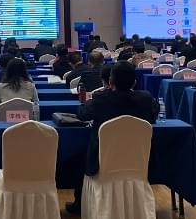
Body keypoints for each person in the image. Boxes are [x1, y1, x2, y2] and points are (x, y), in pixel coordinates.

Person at [66, 61, 158, 214]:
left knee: (77, 157)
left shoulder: (101, 99)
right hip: (138, 162)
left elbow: (82, 113)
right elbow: (153, 115)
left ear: (110, 81)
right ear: (135, 82)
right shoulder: (146, 99)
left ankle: (80, 205)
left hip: (102, 163)